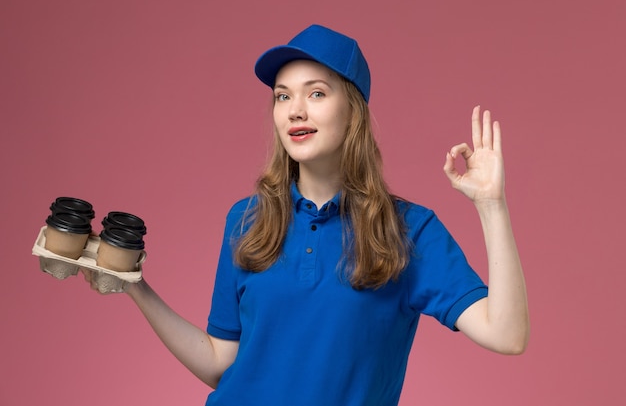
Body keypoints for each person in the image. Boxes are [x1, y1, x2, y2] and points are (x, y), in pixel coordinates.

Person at [88, 24, 529, 405]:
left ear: (352, 110)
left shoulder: (409, 230)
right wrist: (136, 287)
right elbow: (221, 364)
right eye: (283, 96)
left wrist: (492, 206)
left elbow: (507, 335)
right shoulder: (246, 220)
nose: (295, 110)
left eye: (316, 93)